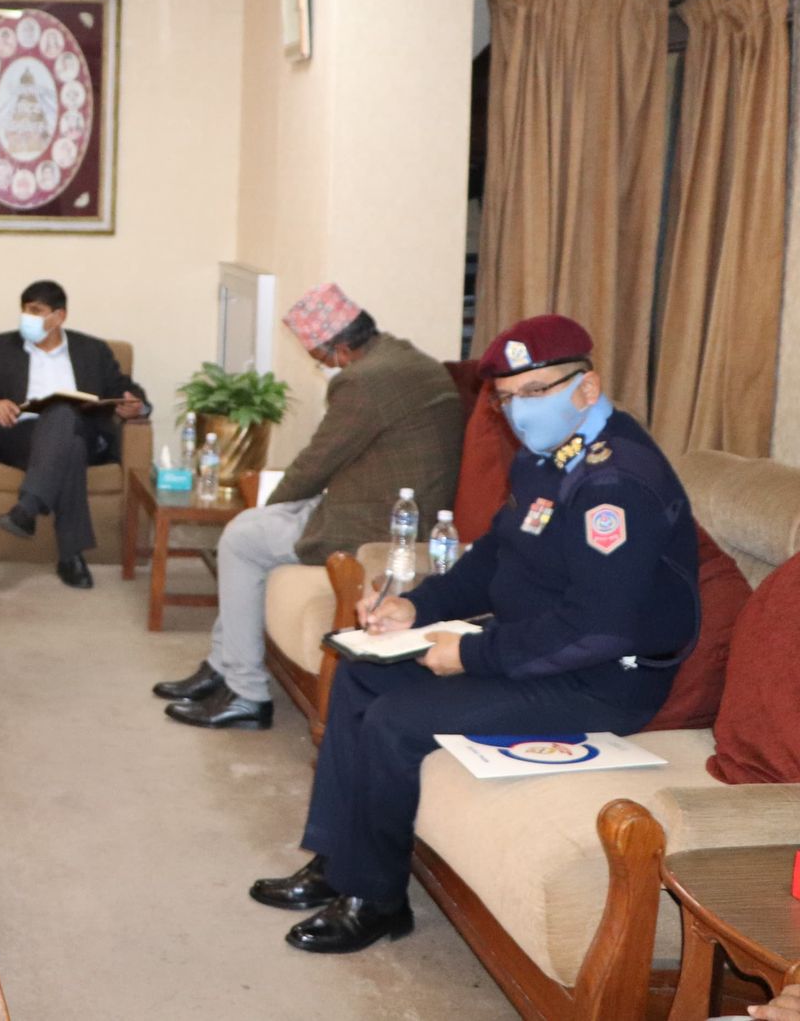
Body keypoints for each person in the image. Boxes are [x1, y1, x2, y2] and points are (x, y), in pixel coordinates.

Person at [248, 314, 700, 954]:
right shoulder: (549, 457)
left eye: (537, 390)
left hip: (599, 681)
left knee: (396, 719)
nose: (521, 410)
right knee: (362, 670)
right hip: (531, 648)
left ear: (588, 386)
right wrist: (417, 608)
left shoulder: (614, 482)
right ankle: (339, 859)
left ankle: (375, 900)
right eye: (508, 397)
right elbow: (495, 556)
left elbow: (599, 629)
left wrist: (470, 653)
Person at [157, 284, 464, 730]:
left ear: (341, 347)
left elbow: (317, 463)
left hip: (377, 525)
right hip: (376, 499)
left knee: (242, 537)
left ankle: (246, 694)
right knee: (252, 526)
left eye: (318, 356)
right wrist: (267, 510)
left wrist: (266, 505)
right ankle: (221, 666)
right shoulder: (404, 357)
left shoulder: (365, 380)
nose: (321, 364)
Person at [0, 280, 150, 589]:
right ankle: (70, 556)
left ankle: (27, 508)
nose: (27, 318)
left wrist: (136, 407)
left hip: (86, 431)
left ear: (59, 316)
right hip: (21, 438)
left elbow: (128, 391)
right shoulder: (0, 347)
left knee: (64, 415)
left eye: (36, 311)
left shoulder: (93, 350)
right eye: (25, 310)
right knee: (71, 446)